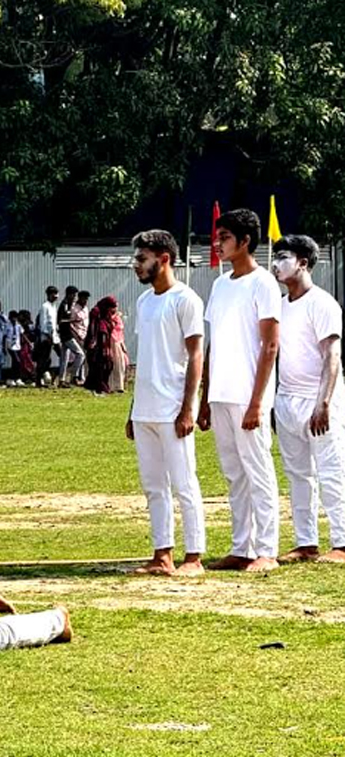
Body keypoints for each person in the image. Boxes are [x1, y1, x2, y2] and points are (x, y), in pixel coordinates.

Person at [197, 208, 282, 572]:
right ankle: (241, 546)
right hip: (221, 395)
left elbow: (270, 346)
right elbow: (213, 342)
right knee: (234, 473)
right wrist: (204, 396)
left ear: (245, 241)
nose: (218, 243)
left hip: (250, 396)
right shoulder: (220, 284)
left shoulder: (263, 283)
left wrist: (257, 401)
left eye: (225, 237)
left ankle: (267, 550)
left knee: (258, 470)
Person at [125, 230, 206, 577]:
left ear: (164, 258)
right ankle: (162, 554)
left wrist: (189, 407)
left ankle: (194, 557)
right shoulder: (144, 302)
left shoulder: (185, 299)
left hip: (173, 407)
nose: (136, 266)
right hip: (145, 408)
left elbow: (195, 355)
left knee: (184, 482)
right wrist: (132, 410)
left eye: (142, 259)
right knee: (153, 485)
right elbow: (146, 359)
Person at [269, 235, 345, 564]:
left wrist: (324, 402)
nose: (275, 264)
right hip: (287, 400)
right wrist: (274, 401)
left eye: (282, 257)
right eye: (273, 257)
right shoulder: (279, 306)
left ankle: (341, 543)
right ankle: (306, 542)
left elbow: (332, 353)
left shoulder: (322, 302)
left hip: (319, 401)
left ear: (302, 262)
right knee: (298, 474)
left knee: (331, 470)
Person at [82, 296, 119, 395]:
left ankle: (100, 386)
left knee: (107, 366)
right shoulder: (96, 314)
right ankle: (100, 388)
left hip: (104, 346)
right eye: (112, 308)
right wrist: (95, 344)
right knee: (100, 367)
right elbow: (96, 330)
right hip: (97, 346)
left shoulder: (105, 316)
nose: (113, 311)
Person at [35, 286, 60, 386]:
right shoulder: (45, 307)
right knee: (44, 359)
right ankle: (38, 379)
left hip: (54, 336)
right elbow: (43, 323)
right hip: (47, 337)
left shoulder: (54, 307)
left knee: (61, 355)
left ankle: (56, 376)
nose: (56, 296)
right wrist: (47, 335)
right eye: (54, 294)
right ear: (49, 295)